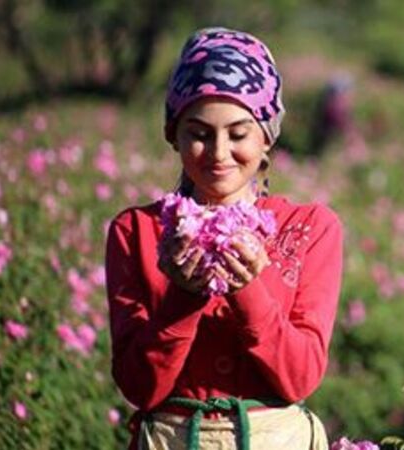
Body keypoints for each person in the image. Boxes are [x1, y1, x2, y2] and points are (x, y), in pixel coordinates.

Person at [104, 27, 343, 450]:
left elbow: (300, 376)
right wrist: (182, 296)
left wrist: (248, 288)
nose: (218, 153)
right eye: (198, 133)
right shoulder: (136, 231)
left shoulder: (310, 228)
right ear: (172, 135)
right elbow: (140, 386)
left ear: (267, 136)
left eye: (238, 134)